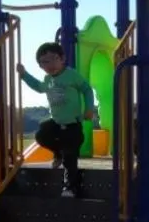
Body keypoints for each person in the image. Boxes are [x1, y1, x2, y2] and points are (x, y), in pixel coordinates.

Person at [17, 42, 96, 198]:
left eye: (53, 59)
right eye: (44, 62)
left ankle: (70, 187)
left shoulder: (71, 75)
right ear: (40, 66)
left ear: (63, 59)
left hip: (73, 123)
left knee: (70, 157)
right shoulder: (47, 79)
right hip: (56, 122)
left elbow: (86, 89)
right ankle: (57, 153)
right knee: (41, 135)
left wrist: (89, 108)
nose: (50, 65)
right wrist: (24, 75)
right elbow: (38, 87)